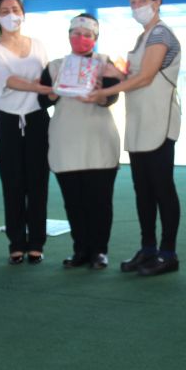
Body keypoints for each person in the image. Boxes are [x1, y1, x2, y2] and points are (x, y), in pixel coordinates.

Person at [86, 0, 181, 277]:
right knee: (143, 190)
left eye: (143, 0)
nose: (138, 6)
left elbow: (146, 77)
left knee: (162, 188)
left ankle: (168, 253)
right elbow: (136, 75)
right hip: (140, 121)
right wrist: (116, 74)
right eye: (133, 2)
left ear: (157, 1)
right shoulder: (144, 37)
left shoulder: (161, 34)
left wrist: (105, 91)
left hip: (159, 121)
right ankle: (148, 248)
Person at [39, 14, 121, 270]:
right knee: (73, 201)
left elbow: (113, 96)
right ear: (68, 36)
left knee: (100, 200)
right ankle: (81, 249)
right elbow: (42, 100)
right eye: (76, 33)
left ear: (95, 39)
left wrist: (99, 96)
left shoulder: (105, 63)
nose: (81, 38)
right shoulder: (55, 67)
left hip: (99, 140)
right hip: (66, 141)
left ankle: (100, 251)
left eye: (87, 35)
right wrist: (54, 92)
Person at [0, 0, 52, 265]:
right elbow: (8, 79)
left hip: (37, 119)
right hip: (9, 121)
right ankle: (16, 243)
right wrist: (39, 87)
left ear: (23, 14)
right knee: (12, 183)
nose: (11, 15)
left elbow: (48, 77)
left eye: (15, 10)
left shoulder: (38, 45)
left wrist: (53, 88)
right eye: (5, 11)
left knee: (38, 183)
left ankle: (36, 243)